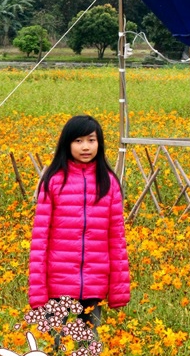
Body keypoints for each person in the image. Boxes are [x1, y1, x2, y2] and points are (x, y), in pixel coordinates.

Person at [28, 115, 130, 341]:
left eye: (91, 140)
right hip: (57, 283)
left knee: (90, 345)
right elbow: (39, 240)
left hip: (95, 282)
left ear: (100, 143)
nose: (86, 147)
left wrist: (119, 290)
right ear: (67, 144)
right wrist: (37, 291)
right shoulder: (53, 181)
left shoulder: (109, 182)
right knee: (49, 345)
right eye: (78, 141)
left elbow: (117, 240)